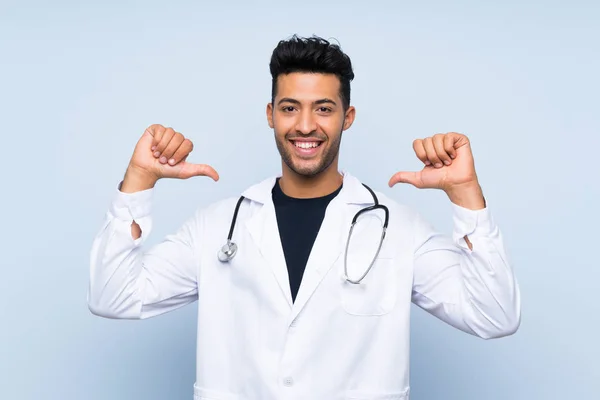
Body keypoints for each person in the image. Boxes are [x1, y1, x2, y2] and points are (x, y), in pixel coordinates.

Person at [88, 34, 521, 399]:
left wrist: (465, 195)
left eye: (324, 108)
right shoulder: (217, 227)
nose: (306, 125)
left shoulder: (398, 229)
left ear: (347, 118)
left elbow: (494, 316)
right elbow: (112, 297)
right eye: (290, 107)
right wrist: (139, 180)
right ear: (271, 114)